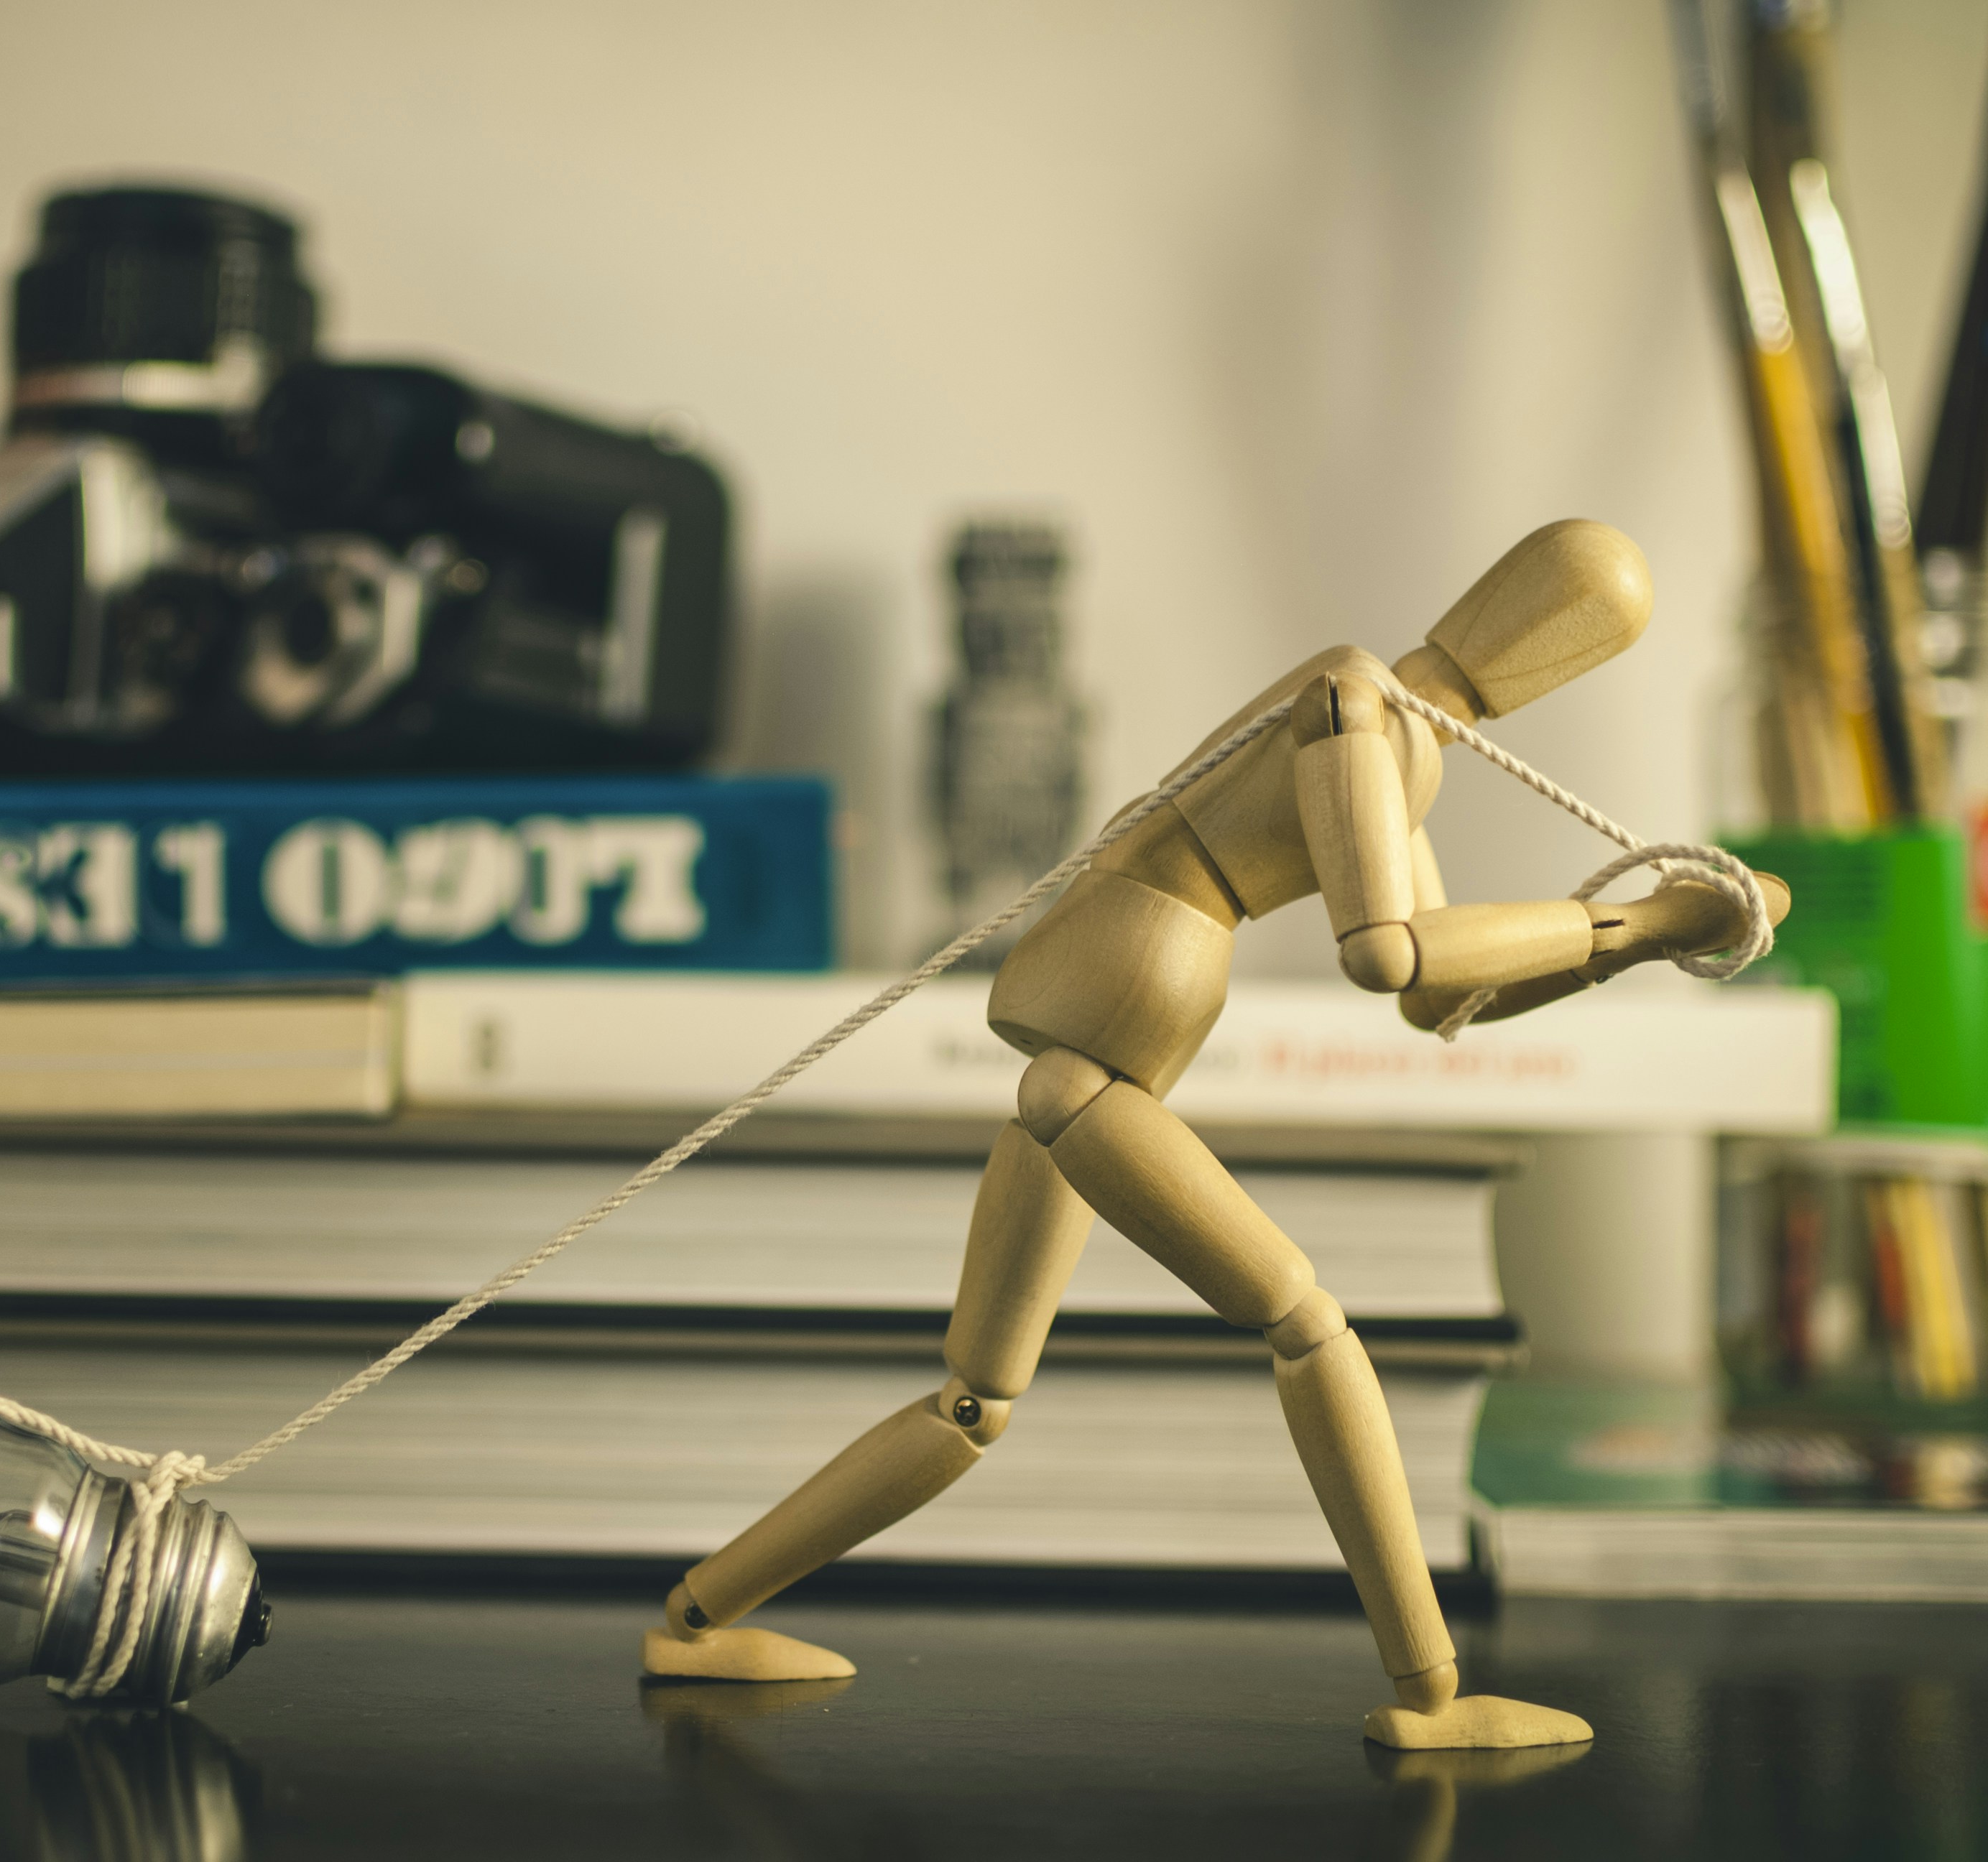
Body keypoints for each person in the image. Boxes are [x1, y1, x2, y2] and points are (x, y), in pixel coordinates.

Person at [641, 520, 1788, 1751]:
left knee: (972, 1401)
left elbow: (1444, 996)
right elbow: (1387, 951)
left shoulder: (1403, 737)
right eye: (1569, 625)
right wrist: (1628, 925)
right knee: (1309, 1325)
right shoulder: (1359, 704)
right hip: (1109, 1019)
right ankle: (1433, 1698)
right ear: (1512, 613)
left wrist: (1642, 939)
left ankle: (695, 1622)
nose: (1549, 658)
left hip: (1105, 1037)